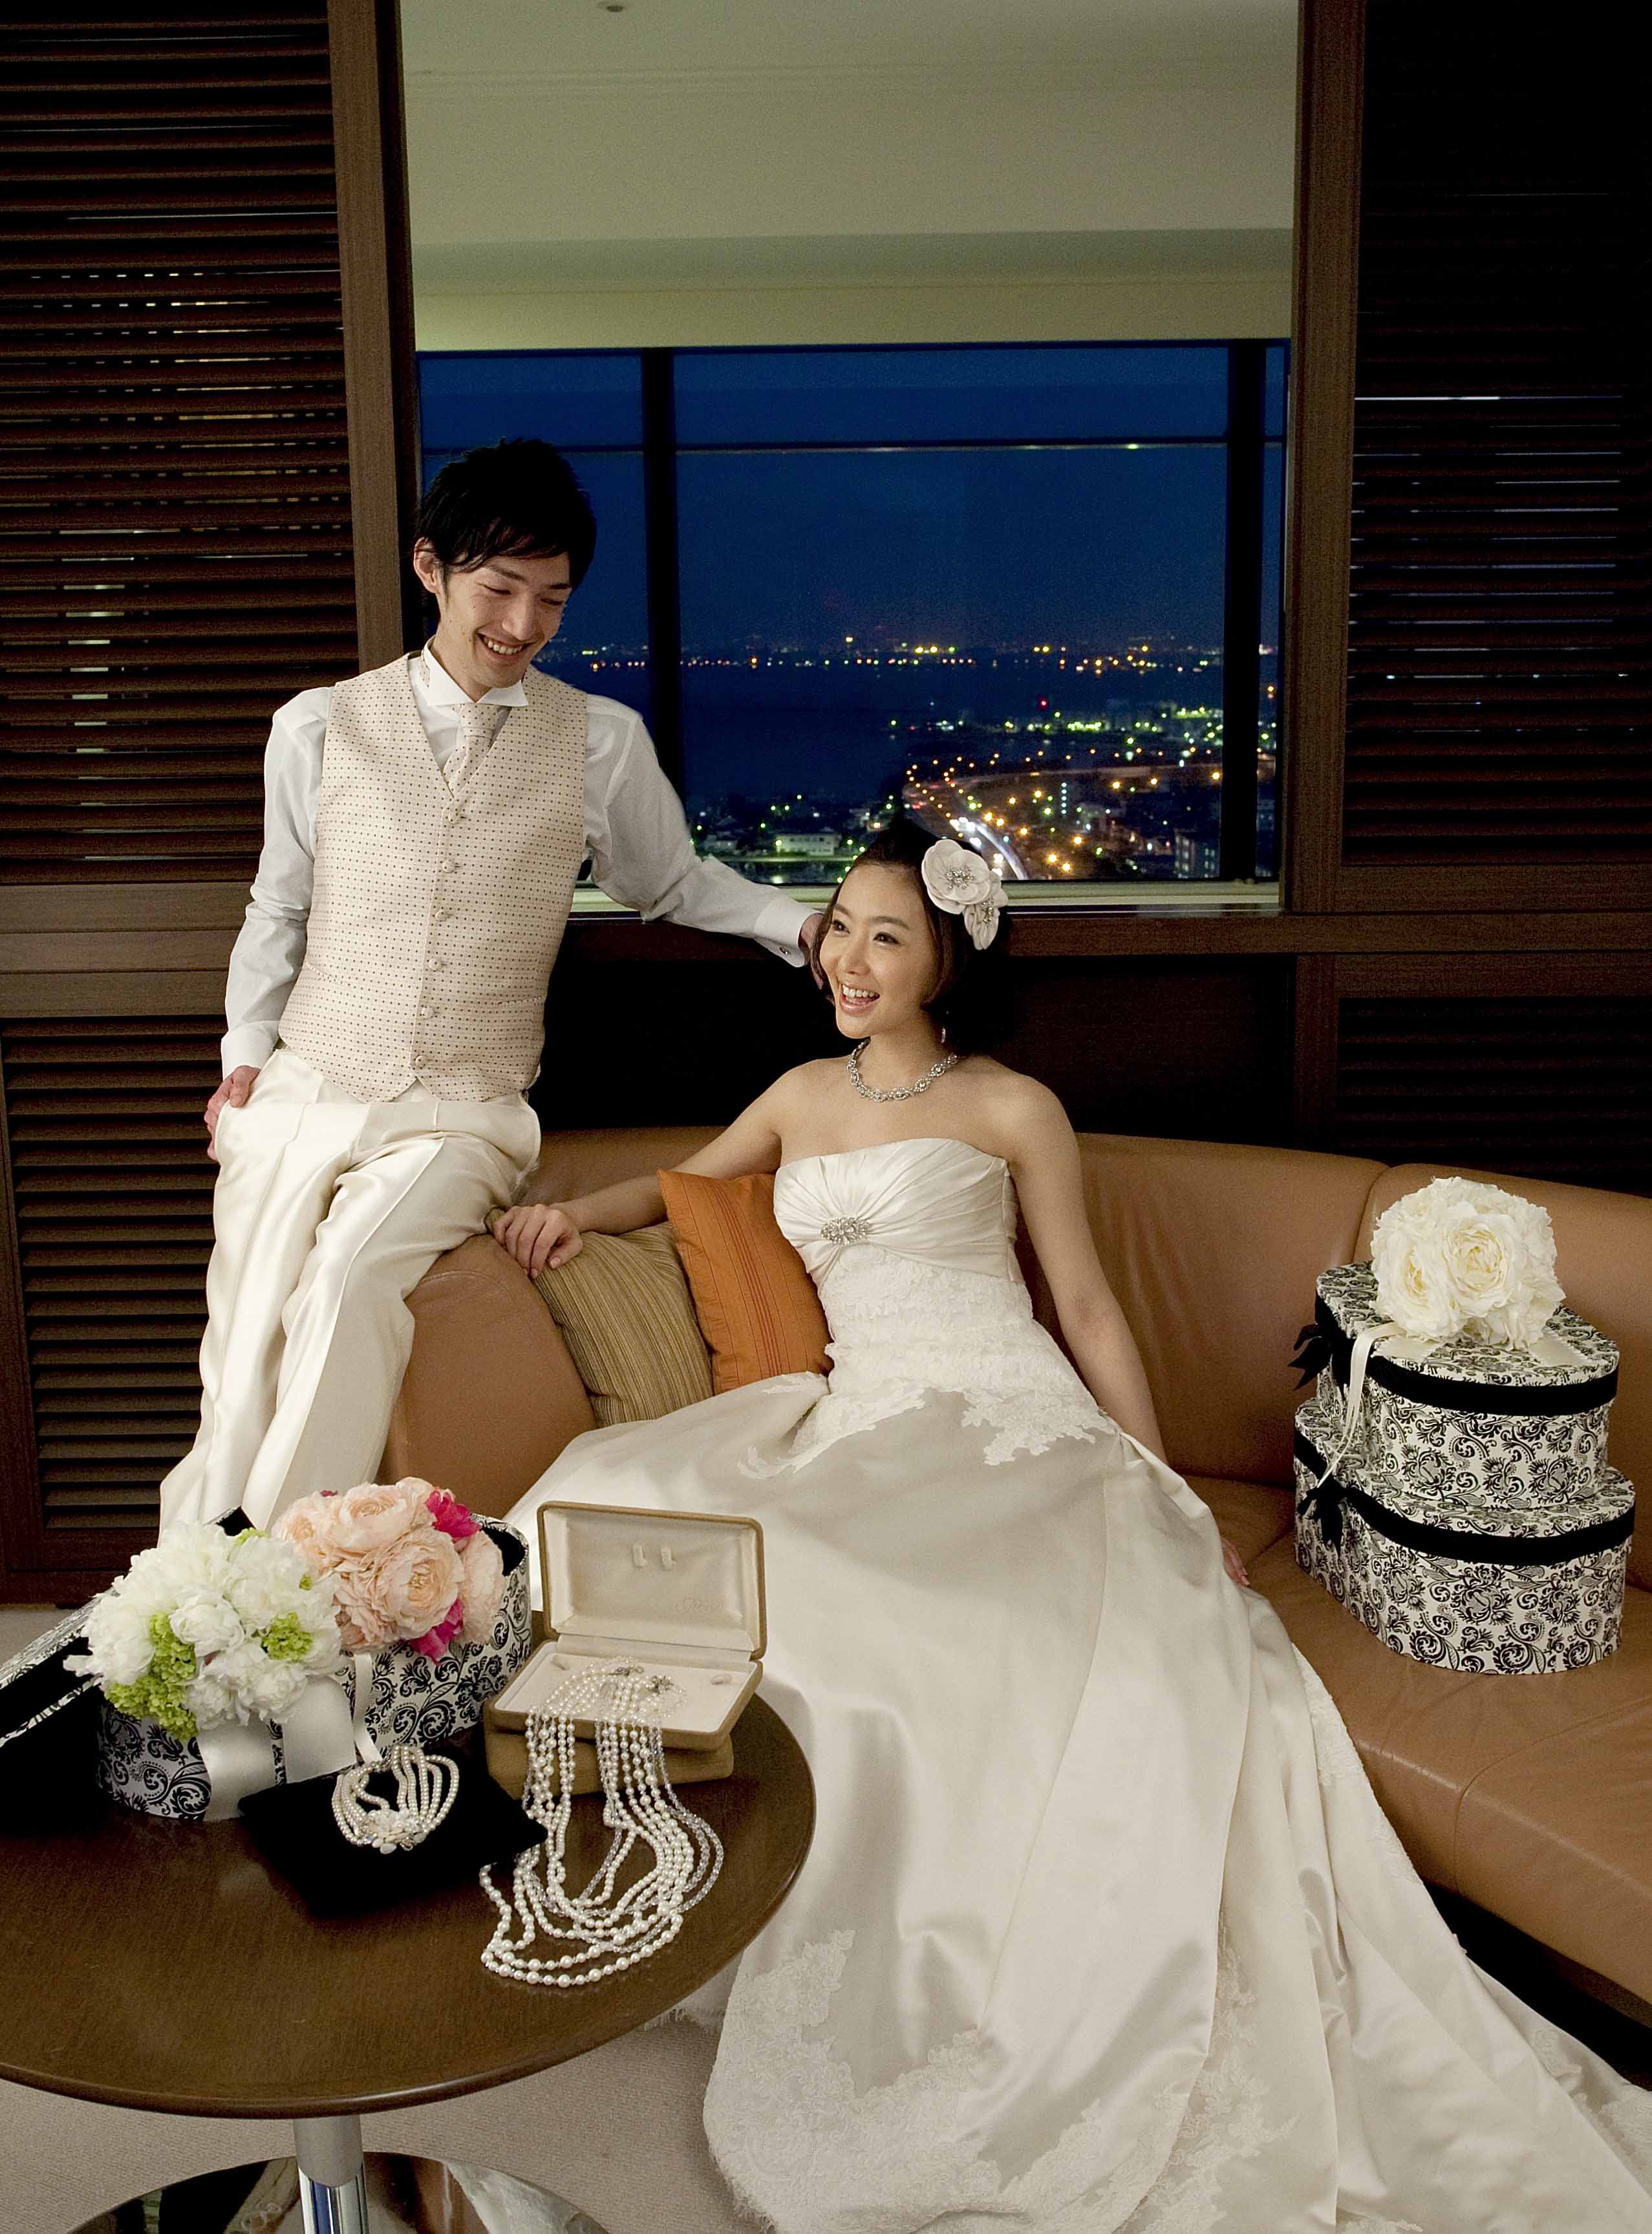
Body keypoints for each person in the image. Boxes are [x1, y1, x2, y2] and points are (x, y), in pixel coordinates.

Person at [498, 819, 1652, 2234]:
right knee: (639, 1520)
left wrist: (1160, 1478)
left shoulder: (1011, 1108)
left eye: (886, 937)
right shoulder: (798, 1094)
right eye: (839, 925)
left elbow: (1090, 1308)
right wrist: (572, 1217)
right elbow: (688, 1186)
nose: (848, 959)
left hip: (1005, 1413)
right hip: (860, 1413)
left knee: (952, 1624)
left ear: (947, 963)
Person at [160, 438, 816, 1537]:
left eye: (551, 599)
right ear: (433, 569)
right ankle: (200, 1599)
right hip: (308, 1086)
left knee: (351, 1281)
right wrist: (243, 1060)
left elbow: (671, 883)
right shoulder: (318, 725)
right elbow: (277, 910)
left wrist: (804, 925)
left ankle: (284, 1577)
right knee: (243, 1349)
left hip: (464, 1111)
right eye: (500, 589)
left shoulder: (601, 742)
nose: (523, 624)